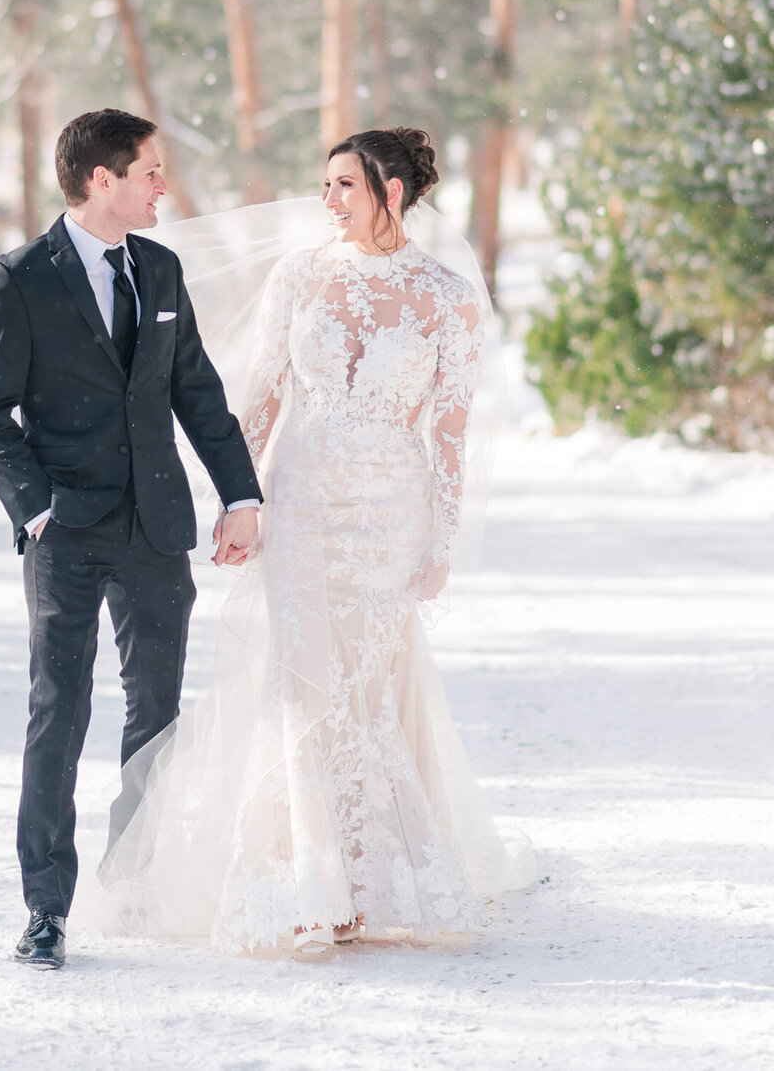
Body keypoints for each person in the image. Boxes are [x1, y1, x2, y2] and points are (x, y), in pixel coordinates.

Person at [94, 126, 534, 956]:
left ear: (391, 192)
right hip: (300, 499)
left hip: (389, 511)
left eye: (344, 186)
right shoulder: (299, 276)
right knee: (298, 681)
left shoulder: (447, 295)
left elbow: (448, 429)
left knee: (368, 686)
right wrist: (240, 498)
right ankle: (305, 885)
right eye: (324, 184)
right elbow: (257, 401)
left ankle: (373, 877)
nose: (326, 201)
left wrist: (439, 537)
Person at [0, 109, 262, 969]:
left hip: (156, 527)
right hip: (65, 531)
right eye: (150, 172)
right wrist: (36, 507)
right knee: (58, 711)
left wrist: (240, 490)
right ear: (104, 179)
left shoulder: (161, 269)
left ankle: (136, 877)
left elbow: (196, 391)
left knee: (158, 714)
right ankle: (47, 905)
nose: (164, 186)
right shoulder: (19, 279)